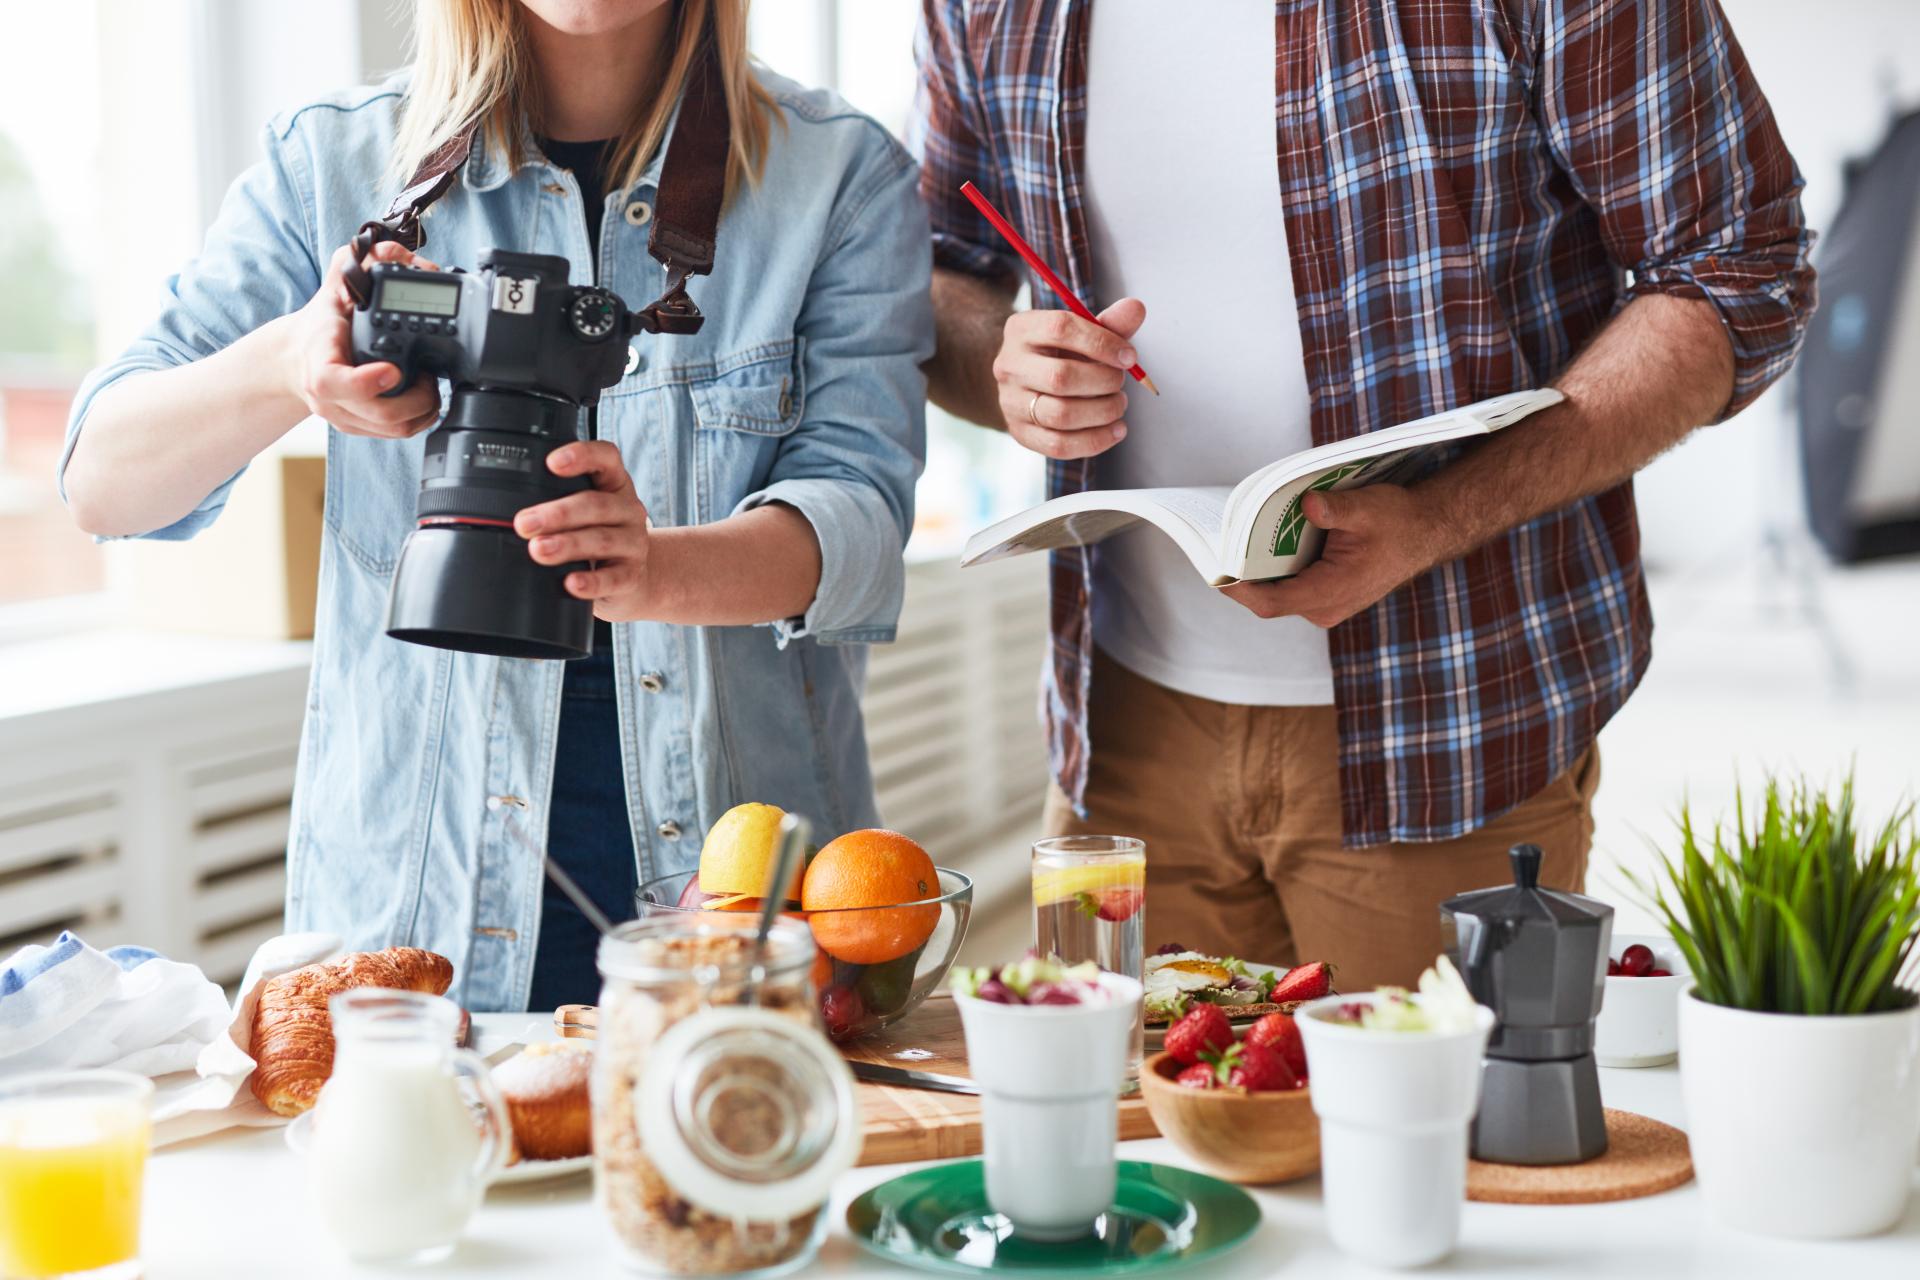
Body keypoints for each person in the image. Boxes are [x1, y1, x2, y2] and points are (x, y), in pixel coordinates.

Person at [914, 0, 1814, 989]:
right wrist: (1009, 369)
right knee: (1129, 1140)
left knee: (1436, 1142)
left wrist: (1443, 515)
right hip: (1123, 732)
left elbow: (1737, 267)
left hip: (1452, 718)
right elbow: (949, 275)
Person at [61, 0, 932, 1011]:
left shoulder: (836, 176)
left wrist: (658, 567)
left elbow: (861, 519)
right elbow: (103, 478)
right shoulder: (333, 163)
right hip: (413, 900)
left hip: (747, 902)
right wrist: (290, 360)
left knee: (738, 1160)